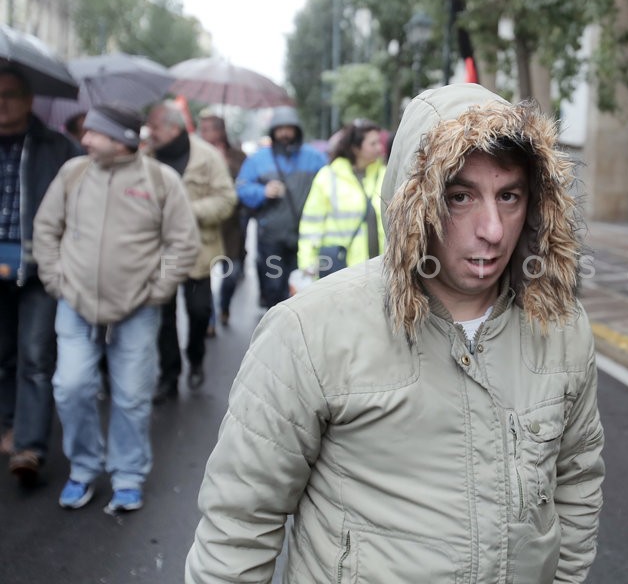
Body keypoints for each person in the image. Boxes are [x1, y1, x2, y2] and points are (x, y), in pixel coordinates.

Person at [185, 84, 605, 583]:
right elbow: (237, 528)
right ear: (416, 200)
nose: (492, 229)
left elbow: (576, 483)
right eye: (460, 196)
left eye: (509, 196)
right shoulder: (309, 332)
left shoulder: (561, 326)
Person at [32, 104, 199, 512]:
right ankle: (83, 469)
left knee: (131, 397)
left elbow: (182, 241)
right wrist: (57, 280)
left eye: (95, 133)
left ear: (122, 140)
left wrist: (159, 290)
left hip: (137, 310)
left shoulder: (160, 179)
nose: (85, 139)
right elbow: (46, 228)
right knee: (70, 388)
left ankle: (128, 476)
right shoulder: (73, 173)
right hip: (75, 306)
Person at [0, 65, 82, 482]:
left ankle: (29, 446)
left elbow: (82, 208)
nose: (2, 103)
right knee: (3, 356)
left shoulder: (59, 148)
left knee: (34, 357)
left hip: (38, 271)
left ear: (29, 100)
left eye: (10, 94)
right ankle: (9, 424)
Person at [146, 101, 237, 404]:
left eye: (155, 126)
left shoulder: (208, 157)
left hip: (199, 254)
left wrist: (186, 211)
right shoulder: (145, 157)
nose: (150, 132)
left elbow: (226, 200)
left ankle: (195, 357)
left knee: (199, 313)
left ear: (173, 128)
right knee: (163, 317)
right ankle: (168, 376)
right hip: (157, 255)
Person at [236, 106, 325, 308]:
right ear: (273, 131)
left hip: (302, 237)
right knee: (273, 288)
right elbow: (241, 188)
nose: (284, 133)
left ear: (297, 130)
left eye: (289, 128)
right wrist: (262, 192)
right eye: (280, 129)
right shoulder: (258, 159)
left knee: (301, 289)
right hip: (271, 238)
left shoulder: (314, 158)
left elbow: (328, 185)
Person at [297, 119, 386, 279]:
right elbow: (311, 223)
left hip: (381, 270)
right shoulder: (327, 176)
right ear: (355, 148)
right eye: (373, 144)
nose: (380, 148)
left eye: (379, 142)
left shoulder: (385, 174)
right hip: (341, 270)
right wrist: (306, 261)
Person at [198, 112, 247, 329]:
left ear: (220, 131)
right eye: (202, 129)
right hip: (206, 225)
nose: (204, 133)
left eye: (209, 128)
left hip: (232, 226)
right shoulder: (196, 155)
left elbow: (246, 186)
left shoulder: (238, 156)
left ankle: (224, 305)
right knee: (203, 275)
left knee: (231, 273)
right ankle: (209, 319)